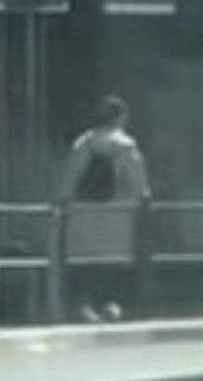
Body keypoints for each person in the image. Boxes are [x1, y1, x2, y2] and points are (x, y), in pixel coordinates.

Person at [58, 96, 151, 322]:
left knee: (84, 263)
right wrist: (143, 199)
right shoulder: (126, 146)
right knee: (113, 263)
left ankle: (84, 305)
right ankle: (110, 304)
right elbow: (139, 184)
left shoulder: (83, 144)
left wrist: (64, 200)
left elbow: (69, 178)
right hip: (116, 213)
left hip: (83, 213)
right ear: (121, 117)